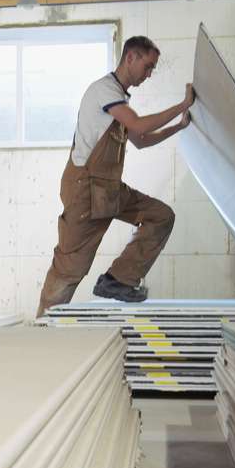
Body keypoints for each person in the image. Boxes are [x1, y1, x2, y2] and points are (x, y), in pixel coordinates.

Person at [36, 35, 194, 317]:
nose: (149, 73)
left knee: (161, 216)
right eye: (148, 66)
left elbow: (142, 140)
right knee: (70, 268)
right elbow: (139, 125)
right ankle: (44, 326)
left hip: (108, 190)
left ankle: (118, 280)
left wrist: (179, 127)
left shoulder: (119, 99)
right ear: (130, 57)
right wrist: (181, 106)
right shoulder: (104, 90)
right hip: (85, 191)